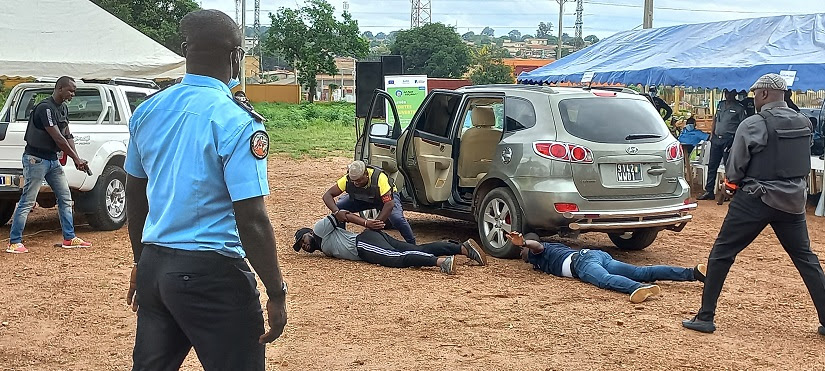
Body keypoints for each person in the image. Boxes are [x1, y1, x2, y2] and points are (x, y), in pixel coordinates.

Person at [124, 10, 287, 370]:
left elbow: (136, 196)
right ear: (236, 57)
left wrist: (140, 261)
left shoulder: (147, 111)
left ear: (185, 51)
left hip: (155, 265)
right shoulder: (237, 121)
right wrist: (276, 292)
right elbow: (252, 217)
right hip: (212, 273)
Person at [683, 74, 825, 336]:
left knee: (722, 253)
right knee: (806, 259)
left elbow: (736, 168)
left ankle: (705, 317)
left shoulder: (753, 124)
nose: (754, 99)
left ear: (763, 94)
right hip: (793, 200)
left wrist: (729, 187)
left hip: (756, 198)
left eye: (755, 94)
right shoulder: (804, 122)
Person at [5, 76, 92, 254]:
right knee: (28, 201)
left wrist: (77, 157)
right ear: (60, 88)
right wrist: (75, 159)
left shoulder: (63, 108)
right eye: (70, 90)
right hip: (35, 159)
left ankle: (69, 238)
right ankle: (14, 242)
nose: (73, 94)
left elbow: (67, 135)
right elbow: (58, 138)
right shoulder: (45, 108)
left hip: (52, 160)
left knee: (65, 198)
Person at [509, 231, 706, 303]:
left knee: (604, 280)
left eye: (521, 251)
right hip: (595, 255)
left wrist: (524, 243)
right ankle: (692, 273)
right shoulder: (543, 257)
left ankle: (637, 288)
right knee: (641, 271)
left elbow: (537, 246)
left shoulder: (541, 250)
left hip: (582, 262)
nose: (520, 254)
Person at [293, 212, 487, 274]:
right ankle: (462, 248)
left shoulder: (319, 229)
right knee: (414, 249)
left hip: (362, 244)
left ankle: (441, 262)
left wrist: (366, 222)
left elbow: (341, 215)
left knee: (397, 259)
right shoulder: (323, 245)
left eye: (303, 240)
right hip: (369, 239)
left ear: (309, 233)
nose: (304, 245)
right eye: (300, 246)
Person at [323, 160, 416, 244]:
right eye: (353, 181)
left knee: (397, 218)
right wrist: (336, 212)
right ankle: (341, 239)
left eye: (359, 180)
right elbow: (327, 195)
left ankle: (412, 244)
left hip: (384, 200)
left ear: (366, 174)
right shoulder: (348, 179)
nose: (356, 183)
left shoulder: (379, 177)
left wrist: (375, 224)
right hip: (363, 198)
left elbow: (389, 204)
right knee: (340, 207)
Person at [698, 89, 747, 200]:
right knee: (712, 166)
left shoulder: (739, 108)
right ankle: (709, 191)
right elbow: (715, 119)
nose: (728, 95)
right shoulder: (720, 104)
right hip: (716, 139)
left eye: (730, 93)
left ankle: (727, 192)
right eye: (726, 92)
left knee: (728, 167)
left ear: (735, 94)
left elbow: (743, 125)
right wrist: (712, 134)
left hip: (729, 139)